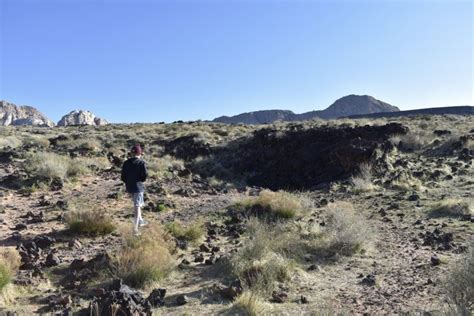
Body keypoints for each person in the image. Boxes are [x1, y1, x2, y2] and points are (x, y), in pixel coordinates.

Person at [121, 145, 148, 235]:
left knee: (137, 204)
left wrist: (129, 182)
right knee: (137, 207)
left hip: (129, 186)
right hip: (138, 187)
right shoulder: (141, 163)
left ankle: (140, 221)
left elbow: (123, 177)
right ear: (139, 153)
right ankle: (135, 230)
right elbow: (144, 177)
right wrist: (139, 181)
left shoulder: (126, 163)